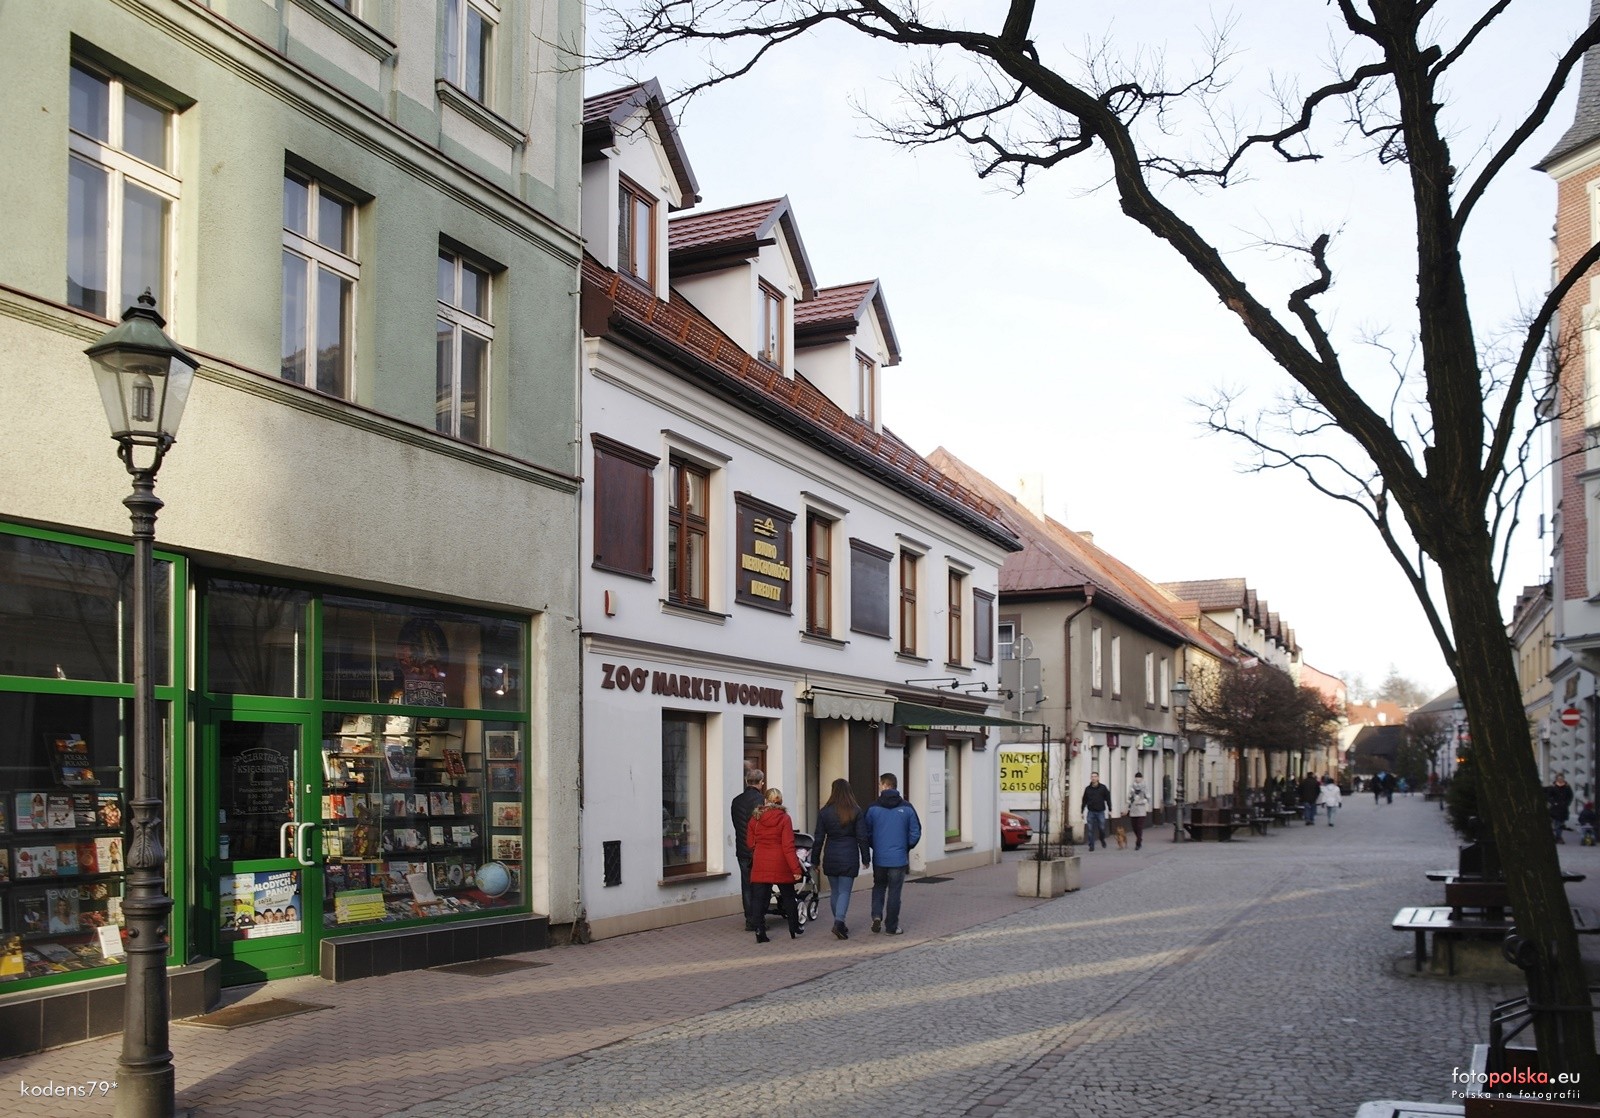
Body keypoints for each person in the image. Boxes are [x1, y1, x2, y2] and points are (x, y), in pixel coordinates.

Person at [863, 772, 921, 936]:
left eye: (879, 784)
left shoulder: (872, 808)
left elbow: (866, 832)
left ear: (884, 785)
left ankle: (876, 915)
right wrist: (905, 847)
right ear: (895, 785)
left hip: (880, 858)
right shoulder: (907, 808)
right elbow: (916, 832)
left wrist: (875, 846)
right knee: (895, 892)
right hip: (899, 858)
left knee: (879, 887)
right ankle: (891, 927)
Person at [813, 778, 870, 940]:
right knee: (844, 891)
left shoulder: (824, 812)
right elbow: (862, 837)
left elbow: (819, 838)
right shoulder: (855, 811)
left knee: (835, 892)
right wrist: (866, 858)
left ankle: (839, 922)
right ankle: (839, 922)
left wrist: (815, 860)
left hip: (831, 854)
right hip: (849, 855)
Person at [746, 787, 805, 943]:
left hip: (761, 862)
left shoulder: (755, 819)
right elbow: (788, 846)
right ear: (781, 801)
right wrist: (796, 869)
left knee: (759, 899)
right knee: (789, 896)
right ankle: (794, 927)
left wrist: (761, 848)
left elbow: (750, 843)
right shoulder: (784, 818)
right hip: (781, 863)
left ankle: (759, 930)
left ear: (765, 800)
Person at [730, 767, 766, 931]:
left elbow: (736, 825)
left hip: (742, 848)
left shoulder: (736, 801)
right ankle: (758, 918)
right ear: (761, 782)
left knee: (746, 884)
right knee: (760, 884)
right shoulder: (761, 800)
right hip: (758, 848)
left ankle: (749, 919)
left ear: (746, 781)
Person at [1081, 772, 1112, 851]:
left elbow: (1108, 798)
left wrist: (1110, 809)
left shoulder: (1103, 788)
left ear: (1098, 778)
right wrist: (1082, 811)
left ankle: (1102, 838)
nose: (1093, 778)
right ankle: (1091, 845)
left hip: (1100, 811)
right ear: (1090, 778)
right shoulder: (1088, 789)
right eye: (1092, 777)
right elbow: (1084, 800)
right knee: (1090, 829)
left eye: (1095, 776)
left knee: (1102, 828)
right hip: (1091, 811)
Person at [1126, 772, 1151, 850]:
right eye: (1136, 777)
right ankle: (1139, 837)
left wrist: (1142, 801)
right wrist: (1128, 803)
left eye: (1139, 777)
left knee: (1139, 826)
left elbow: (1148, 798)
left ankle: (1138, 842)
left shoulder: (1145, 787)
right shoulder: (1132, 786)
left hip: (1141, 810)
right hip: (1133, 809)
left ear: (1142, 778)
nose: (1138, 779)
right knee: (1134, 827)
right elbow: (1129, 797)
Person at [1548, 774, 1575, 843]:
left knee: (1560, 824)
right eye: (1559, 778)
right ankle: (1557, 837)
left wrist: (1567, 803)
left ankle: (1558, 837)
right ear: (1556, 779)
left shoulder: (1567, 787)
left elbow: (1570, 796)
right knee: (1556, 823)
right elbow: (1549, 796)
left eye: (1561, 778)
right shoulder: (1553, 787)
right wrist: (1553, 802)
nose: (1560, 780)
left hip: (1563, 809)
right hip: (1555, 809)